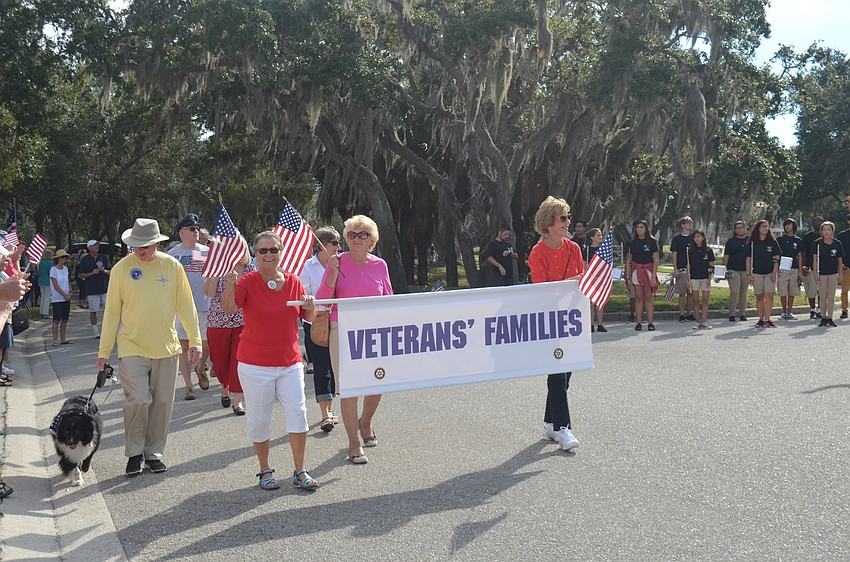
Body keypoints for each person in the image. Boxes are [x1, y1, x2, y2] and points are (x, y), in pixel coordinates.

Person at [97, 218, 201, 476]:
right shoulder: (122, 269)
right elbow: (111, 313)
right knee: (138, 400)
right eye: (135, 245)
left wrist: (195, 340)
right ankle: (134, 452)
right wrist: (103, 351)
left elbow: (186, 306)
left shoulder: (172, 266)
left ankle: (153, 452)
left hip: (166, 346)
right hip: (131, 346)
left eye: (144, 245)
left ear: (157, 243)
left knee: (162, 402)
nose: (139, 250)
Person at [222, 231, 319, 490]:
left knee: (298, 413)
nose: (268, 255)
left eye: (273, 250)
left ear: (281, 252)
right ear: (255, 254)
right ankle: (265, 470)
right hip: (255, 364)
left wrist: (310, 304)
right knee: (259, 418)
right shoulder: (247, 281)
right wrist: (231, 283)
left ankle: (300, 469)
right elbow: (230, 308)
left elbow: (308, 317)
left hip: (289, 362)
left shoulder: (293, 281)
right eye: (263, 251)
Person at [316, 215, 393, 465]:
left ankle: (366, 422)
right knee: (349, 387)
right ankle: (354, 442)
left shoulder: (380, 264)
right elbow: (322, 299)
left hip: (375, 330)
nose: (357, 239)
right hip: (343, 329)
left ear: (372, 240)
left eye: (363, 234)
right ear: (346, 238)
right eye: (352, 234)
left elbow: (389, 298)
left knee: (377, 381)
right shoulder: (336, 262)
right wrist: (333, 275)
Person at [528, 197, 584, 451]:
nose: (568, 222)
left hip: (572, 318)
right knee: (557, 372)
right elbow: (542, 289)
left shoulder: (574, 248)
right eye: (563, 217)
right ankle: (563, 428)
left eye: (568, 216)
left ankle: (550, 423)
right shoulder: (537, 253)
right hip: (549, 319)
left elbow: (580, 281)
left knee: (565, 373)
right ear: (549, 222)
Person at [203, 241, 253, 415]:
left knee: (239, 362)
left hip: (243, 322)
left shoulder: (251, 269)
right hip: (218, 322)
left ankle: (238, 400)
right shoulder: (218, 268)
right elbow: (209, 292)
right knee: (220, 360)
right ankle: (225, 388)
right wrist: (217, 272)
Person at [299, 226, 341, 432]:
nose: (338, 247)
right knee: (322, 367)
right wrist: (310, 302)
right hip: (315, 323)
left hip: (339, 321)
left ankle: (332, 407)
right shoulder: (307, 267)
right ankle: (326, 413)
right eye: (335, 243)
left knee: (335, 367)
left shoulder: (344, 263)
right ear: (322, 245)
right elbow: (302, 292)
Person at [168, 213, 210, 400]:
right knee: (183, 346)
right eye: (192, 229)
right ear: (181, 232)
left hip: (203, 305)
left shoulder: (203, 251)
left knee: (206, 343)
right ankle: (188, 386)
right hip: (181, 309)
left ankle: (200, 368)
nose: (197, 232)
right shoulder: (173, 255)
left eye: (198, 228)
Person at [625, 219, 659, 331]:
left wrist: (653, 276)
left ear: (646, 229)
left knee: (648, 297)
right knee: (638, 298)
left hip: (648, 270)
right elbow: (628, 259)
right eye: (637, 227)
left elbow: (656, 260)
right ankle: (638, 322)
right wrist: (628, 276)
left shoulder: (652, 241)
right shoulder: (632, 242)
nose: (639, 229)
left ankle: (650, 323)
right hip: (636, 270)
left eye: (641, 227)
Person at [746, 220, 781, 328]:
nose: (765, 228)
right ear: (758, 228)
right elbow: (748, 259)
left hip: (770, 272)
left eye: (767, 226)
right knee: (760, 297)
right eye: (762, 226)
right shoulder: (752, 243)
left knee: (769, 295)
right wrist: (748, 274)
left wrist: (774, 272)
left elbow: (777, 258)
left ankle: (768, 319)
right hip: (756, 272)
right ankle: (761, 319)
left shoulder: (772, 242)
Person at [76, 240, 112, 338]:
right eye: (94, 245)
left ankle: (108, 329)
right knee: (93, 311)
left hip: (104, 288)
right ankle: (96, 331)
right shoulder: (85, 260)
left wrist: (104, 270)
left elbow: (111, 272)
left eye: (97, 245)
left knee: (108, 310)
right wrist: (92, 273)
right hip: (92, 289)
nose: (96, 247)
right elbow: (81, 275)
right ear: (89, 248)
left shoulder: (103, 257)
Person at [812, 221, 844, 328]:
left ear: (832, 231)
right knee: (822, 296)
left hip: (833, 273)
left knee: (831, 296)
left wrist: (841, 274)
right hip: (821, 273)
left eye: (828, 230)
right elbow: (815, 260)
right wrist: (815, 273)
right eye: (824, 230)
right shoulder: (817, 243)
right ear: (821, 231)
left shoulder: (837, 243)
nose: (826, 232)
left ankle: (830, 318)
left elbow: (840, 260)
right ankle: (823, 318)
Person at [686, 229, 715, 329]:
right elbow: (688, 265)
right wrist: (687, 279)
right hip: (694, 277)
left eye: (698, 236)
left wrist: (709, 277)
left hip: (705, 278)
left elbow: (711, 265)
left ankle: (703, 321)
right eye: (695, 237)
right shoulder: (690, 251)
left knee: (705, 300)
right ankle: (697, 321)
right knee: (695, 300)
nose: (697, 239)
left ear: (703, 237)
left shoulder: (708, 250)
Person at [776, 219, 804, 320]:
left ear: (794, 226)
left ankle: (789, 312)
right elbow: (776, 254)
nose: (787, 227)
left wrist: (800, 270)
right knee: (783, 291)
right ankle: (783, 312)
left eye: (789, 225)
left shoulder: (797, 240)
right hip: (782, 268)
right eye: (785, 225)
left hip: (794, 268)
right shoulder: (779, 239)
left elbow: (800, 255)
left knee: (792, 291)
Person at [670, 216, 696, 322]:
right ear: (682, 225)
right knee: (682, 293)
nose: (690, 225)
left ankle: (689, 313)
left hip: (693, 269)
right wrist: (675, 269)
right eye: (687, 223)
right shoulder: (677, 239)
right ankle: (681, 314)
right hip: (681, 269)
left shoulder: (694, 238)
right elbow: (674, 255)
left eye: (691, 223)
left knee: (691, 293)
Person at [723, 220, 750, 322]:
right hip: (733, 269)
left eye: (741, 227)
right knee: (734, 291)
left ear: (745, 228)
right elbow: (726, 256)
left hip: (745, 270)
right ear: (735, 230)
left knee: (743, 292)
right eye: (737, 228)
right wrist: (723, 269)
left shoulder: (749, 241)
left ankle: (742, 313)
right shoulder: (731, 241)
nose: (739, 230)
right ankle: (732, 314)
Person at [584, 228, 607, 332]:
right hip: (591, 278)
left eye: (601, 235)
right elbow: (584, 265)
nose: (600, 237)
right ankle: (591, 324)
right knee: (591, 303)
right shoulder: (587, 250)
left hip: (601, 277)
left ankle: (600, 324)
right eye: (598, 235)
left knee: (600, 302)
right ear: (592, 237)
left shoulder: (604, 250)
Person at [801, 216, 824, 319]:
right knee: (812, 290)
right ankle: (812, 310)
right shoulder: (808, 236)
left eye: (820, 221)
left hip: (823, 267)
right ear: (813, 223)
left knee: (821, 290)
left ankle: (820, 310)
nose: (818, 223)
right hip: (810, 266)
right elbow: (803, 252)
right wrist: (803, 266)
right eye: (816, 221)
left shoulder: (826, 236)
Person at [49, 250, 72, 346]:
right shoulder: (53, 269)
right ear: (57, 258)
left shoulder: (66, 269)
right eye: (62, 257)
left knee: (65, 319)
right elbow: (55, 284)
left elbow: (67, 281)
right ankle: (55, 339)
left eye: (65, 257)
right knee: (56, 319)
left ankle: (63, 338)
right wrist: (64, 294)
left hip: (66, 297)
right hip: (57, 297)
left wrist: (70, 292)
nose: (64, 259)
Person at [836, 215, 850, 319]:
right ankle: (844, 310)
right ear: (848, 221)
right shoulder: (842, 235)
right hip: (846, 268)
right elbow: (838, 252)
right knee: (844, 291)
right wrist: (840, 266)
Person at [38, 248, 54, 318]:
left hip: (40, 280)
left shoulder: (41, 262)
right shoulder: (50, 263)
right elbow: (51, 273)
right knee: (47, 297)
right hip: (48, 281)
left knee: (43, 297)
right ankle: (45, 313)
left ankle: (42, 311)